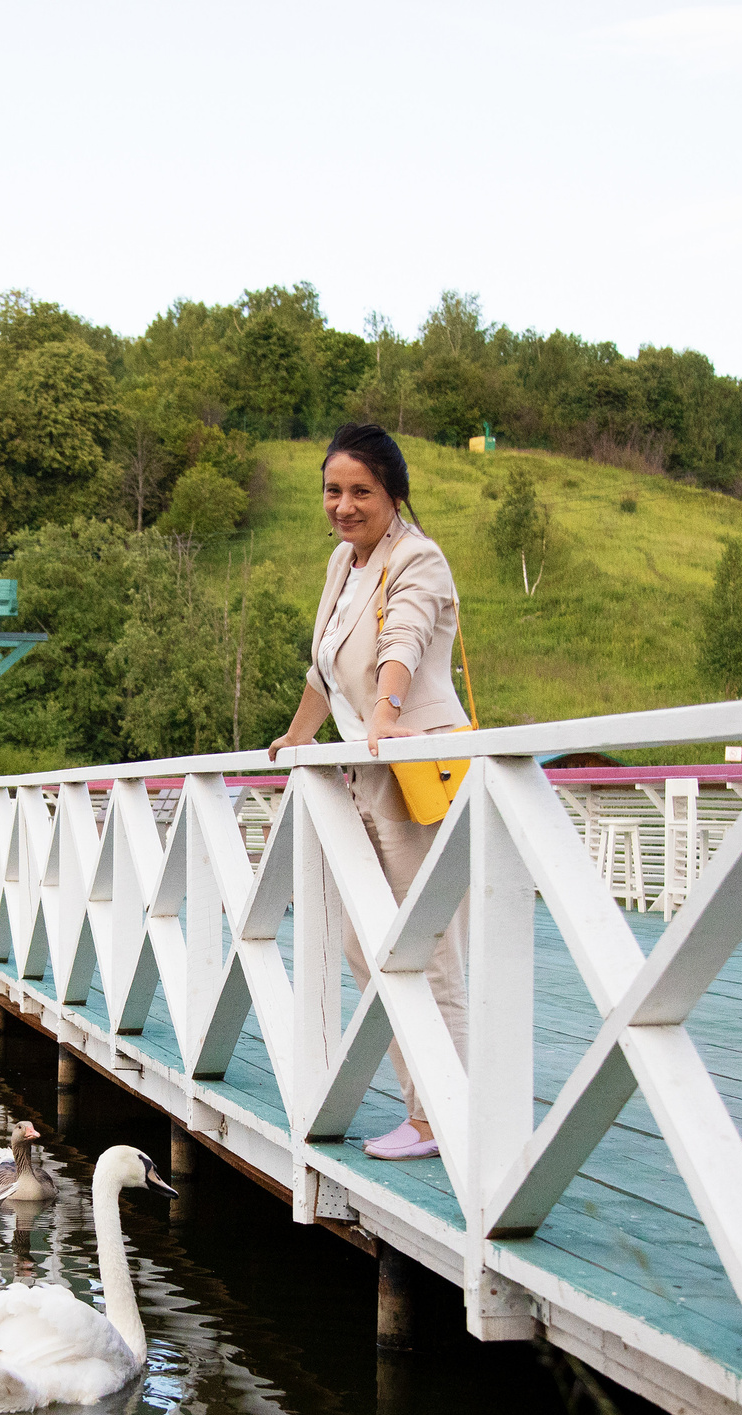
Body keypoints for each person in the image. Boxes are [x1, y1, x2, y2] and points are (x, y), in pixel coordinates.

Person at [266, 424, 470, 1162]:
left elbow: (403, 643)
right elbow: (325, 669)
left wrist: (383, 716)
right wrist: (296, 736)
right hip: (362, 775)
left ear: (393, 493)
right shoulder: (342, 564)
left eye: (361, 492)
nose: (344, 505)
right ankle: (432, 1105)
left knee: (430, 949)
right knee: (365, 942)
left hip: (414, 772)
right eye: (333, 490)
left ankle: (440, 1119)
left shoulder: (418, 557)